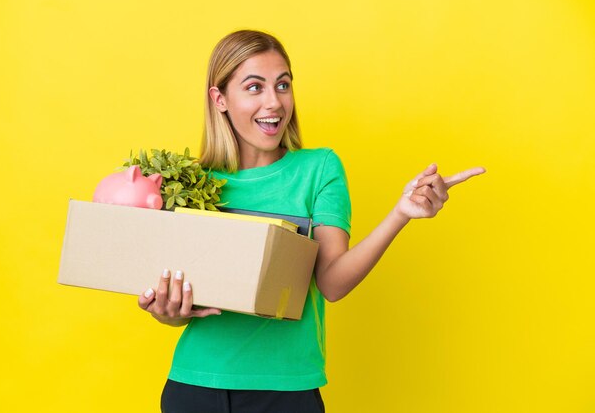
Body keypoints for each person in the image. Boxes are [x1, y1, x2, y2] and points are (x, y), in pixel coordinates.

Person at [138, 29, 485, 413]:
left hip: (286, 390)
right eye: (255, 87)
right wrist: (167, 312)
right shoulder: (190, 183)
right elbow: (178, 301)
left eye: (282, 85)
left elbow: (332, 283)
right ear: (220, 99)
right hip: (193, 386)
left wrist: (400, 213)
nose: (274, 102)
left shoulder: (318, 169)